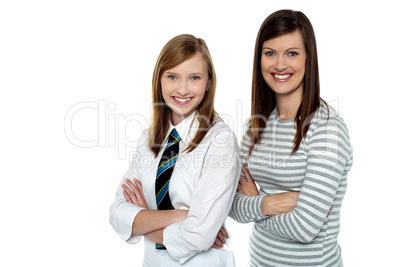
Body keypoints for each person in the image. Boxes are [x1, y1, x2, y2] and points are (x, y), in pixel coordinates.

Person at [229, 9, 353, 267]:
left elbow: (305, 228)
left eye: (292, 53)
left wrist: (256, 203)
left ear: (309, 59)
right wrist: (272, 202)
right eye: (270, 53)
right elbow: (231, 205)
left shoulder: (327, 128)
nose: (280, 65)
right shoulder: (256, 127)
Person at [109, 34, 241, 266]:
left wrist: (143, 220)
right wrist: (179, 217)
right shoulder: (148, 140)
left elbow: (198, 237)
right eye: (172, 76)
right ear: (159, 79)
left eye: (194, 78)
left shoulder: (220, 141)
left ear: (208, 82)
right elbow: (118, 214)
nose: (182, 89)